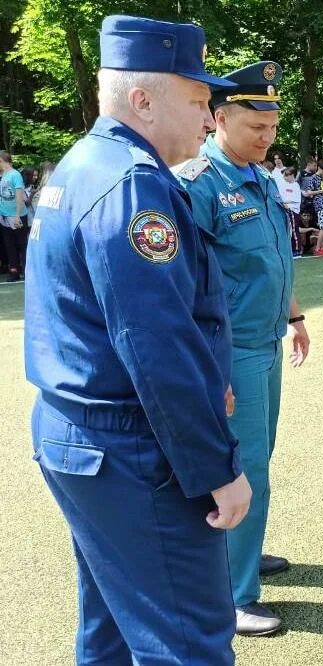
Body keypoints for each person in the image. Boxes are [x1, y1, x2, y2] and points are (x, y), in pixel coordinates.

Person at [23, 15, 250, 664]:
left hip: (79, 438)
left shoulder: (83, 164)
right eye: (200, 101)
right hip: (132, 448)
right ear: (142, 100)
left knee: (113, 633)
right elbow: (158, 348)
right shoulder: (133, 184)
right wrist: (217, 469)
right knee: (191, 646)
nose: (210, 120)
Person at [175, 60, 311, 636]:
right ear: (220, 118)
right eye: (256, 126)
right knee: (242, 463)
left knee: (260, 455)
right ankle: (231, 595)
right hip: (229, 352)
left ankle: (243, 556)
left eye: (273, 126)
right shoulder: (197, 184)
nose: (267, 136)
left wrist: (295, 315)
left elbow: (272, 258)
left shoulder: (259, 178)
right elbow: (183, 285)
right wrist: (212, 365)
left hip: (267, 342)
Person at [0, 151, 28, 282]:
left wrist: (17, 215)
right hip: (5, 216)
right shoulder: (3, 175)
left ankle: (27, 270)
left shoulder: (15, 175)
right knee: (9, 244)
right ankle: (14, 271)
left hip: (17, 215)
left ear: (2, 160)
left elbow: (19, 196)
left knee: (22, 244)